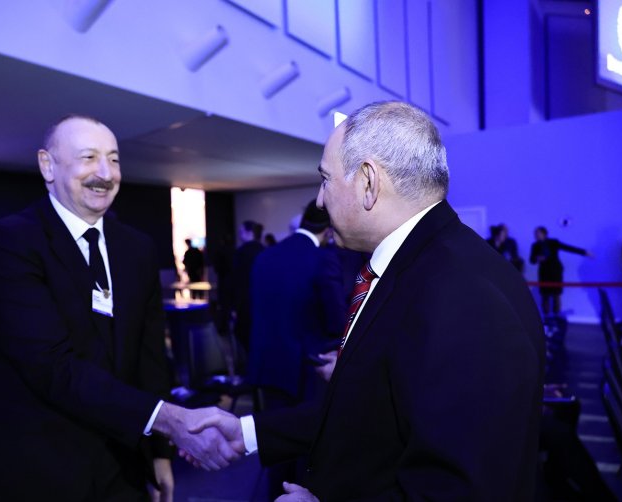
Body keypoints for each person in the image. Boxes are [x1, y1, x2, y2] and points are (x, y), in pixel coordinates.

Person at [189, 101, 545, 500]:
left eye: (325, 180)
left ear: (368, 182)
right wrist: (248, 432)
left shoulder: (461, 294)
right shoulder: (419, 266)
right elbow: (373, 410)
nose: (319, 200)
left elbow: (458, 488)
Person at [0, 115, 242, 502]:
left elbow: (150, 360)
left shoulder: (137, 248)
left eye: (114, 159)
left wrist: (159, 453)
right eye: (89, 157)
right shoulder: (8, 243)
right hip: (35, 466)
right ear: (48, 165)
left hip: (121, 465)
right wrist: (170, 420)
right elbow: (51, 366)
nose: (105, 174)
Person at [247, 200, 346, 499]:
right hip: (307, 370)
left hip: (267, 366)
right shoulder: (322, 259)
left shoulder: (265, 256)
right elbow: (337, 321)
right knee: (303, 453)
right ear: (328, 230)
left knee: (275, 446)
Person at [530, 226, 592, 315]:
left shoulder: (553, 242)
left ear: (544, 234)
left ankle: (556, 317)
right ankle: (546, 318)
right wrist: (537, 258)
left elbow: (568, 248)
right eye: (535, 234)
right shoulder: (535, 246)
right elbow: (531, 260)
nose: (536, 235)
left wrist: (584, 252)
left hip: (556, 272)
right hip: (544, 273)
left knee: (556, 295)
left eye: (538, 233)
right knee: (545, 296)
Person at [231, 220, 264, 351]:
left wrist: (234, 306)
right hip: (261, 302)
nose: (239, 234)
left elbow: (236, 282)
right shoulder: (264, 251)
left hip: (245, 302)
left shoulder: (241, 253)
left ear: (249, 232)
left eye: (241, 231)